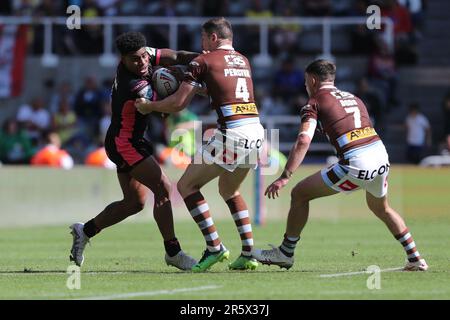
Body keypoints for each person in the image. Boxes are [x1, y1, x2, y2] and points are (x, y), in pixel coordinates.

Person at [252, 59, 428, 272]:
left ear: (313, 80)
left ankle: (285, 253)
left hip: (356, 162)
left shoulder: (314, 102)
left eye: (306, 82)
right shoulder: (354, 98)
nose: (306, 87)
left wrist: (286, 175)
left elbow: (303, 140)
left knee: (299, 194)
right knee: (382, 208)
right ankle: (415, 258)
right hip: (380, 156)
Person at [136, 17, 264, 271]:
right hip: (256, 132)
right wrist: (192, 83)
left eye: (204, 39)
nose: (202, 44)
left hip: (233, 134)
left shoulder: (203, 61)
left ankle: (215, 247)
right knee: (230, 191)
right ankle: (249, 253)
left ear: (213, 38)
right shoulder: (242, 60)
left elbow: (177, 105)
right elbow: (220, 89)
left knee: (186, 185)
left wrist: (149, 106)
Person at [69, 31, 199, 271]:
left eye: (143, 57)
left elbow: (178, 55)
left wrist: (202, 59)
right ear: (123, 60)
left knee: (134, 203)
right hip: (124, 143)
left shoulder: (146, 55)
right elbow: (170, 107)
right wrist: (188, 82)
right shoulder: (134, 86)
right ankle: (173, 252)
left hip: (128, 139)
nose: (141, 63)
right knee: (163, 187)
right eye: (134, 60)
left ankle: (84, 230)